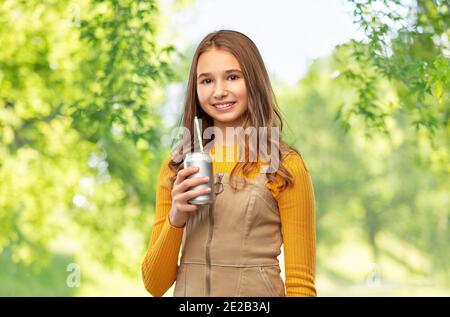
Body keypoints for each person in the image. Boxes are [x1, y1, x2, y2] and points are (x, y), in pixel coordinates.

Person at [141, 30, 316, 297]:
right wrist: (176, 218)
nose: (219, 91)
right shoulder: (176, 167)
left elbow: (301, 285)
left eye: (233, 77)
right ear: (196, 88)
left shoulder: (283, 166)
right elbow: (155, 285)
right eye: (207, 81)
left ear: (253, 81)